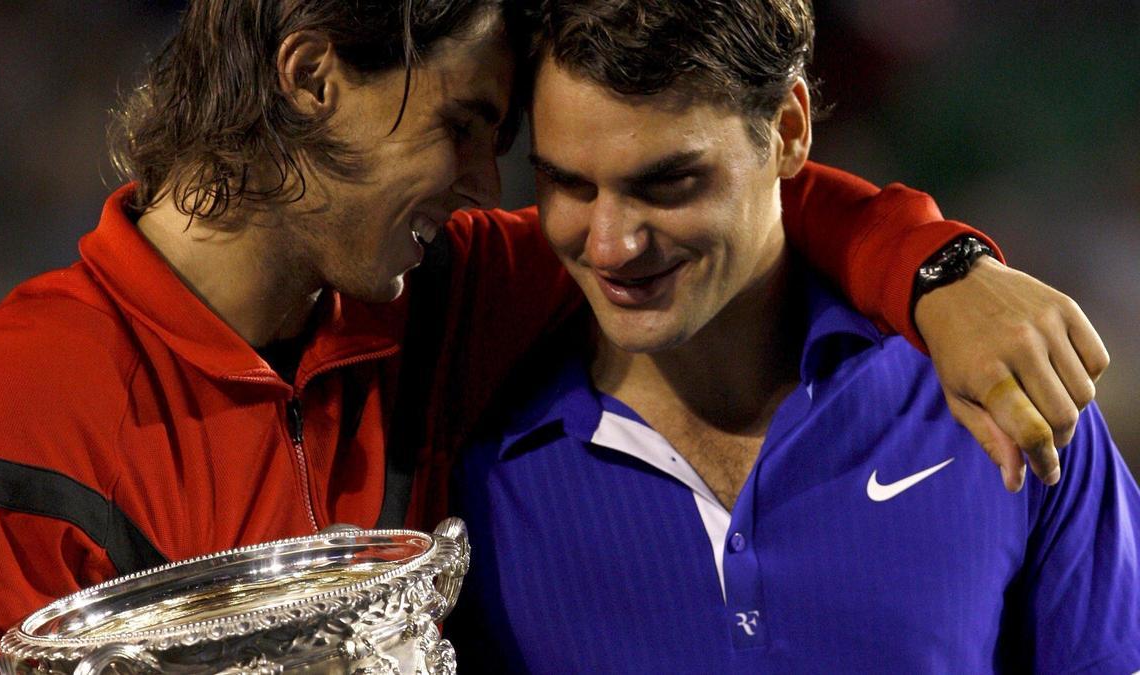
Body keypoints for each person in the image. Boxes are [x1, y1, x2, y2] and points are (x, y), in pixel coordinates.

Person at [0, 0, 1110, 670]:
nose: (479, 184)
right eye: (461, 125)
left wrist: (944, 271)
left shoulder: (445, 292)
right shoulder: (0, 420)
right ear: (308, 76)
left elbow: (742, 202)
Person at [448, 0, 1140, 671]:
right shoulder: (472, 465)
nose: (611, 245)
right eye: (567, 185)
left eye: (667, 184)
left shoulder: (1000, 399)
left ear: (788, 130)